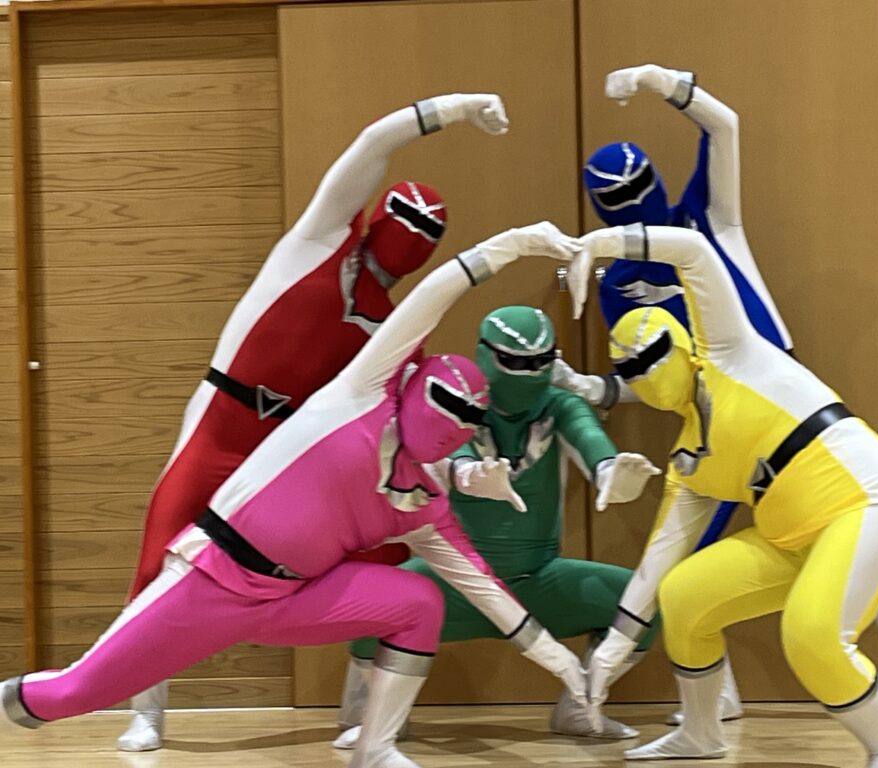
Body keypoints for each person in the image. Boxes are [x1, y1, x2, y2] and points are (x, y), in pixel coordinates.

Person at [1, 223, 588, 768]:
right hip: (211, 579)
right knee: (71, 692)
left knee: (418, 602)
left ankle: (376, 750)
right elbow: (434, 294)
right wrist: (515, 243)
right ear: (417, 384)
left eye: (468, 417)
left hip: (295, 599)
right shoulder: (362, 392)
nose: (454, 422)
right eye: (447, 404)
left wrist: (556, 658)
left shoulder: (421, 504)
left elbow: (481, 585)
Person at [567, 63, 878, 723]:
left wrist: (661, 80)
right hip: (711, 426)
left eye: (637, 186)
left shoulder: (704, 223)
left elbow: (724, 127)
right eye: (613, 197)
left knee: (855, 518)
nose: (630, 201)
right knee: (689, 562)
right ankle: (715, 693)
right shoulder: (616, 283)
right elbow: (646, 375)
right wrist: (591, 386)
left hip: (780, 392)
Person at [117, 92, 512, 751]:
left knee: (385, 555)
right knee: (162, 550)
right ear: (381, 212)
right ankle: (146, 712)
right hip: (223, 419)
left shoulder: (400, 328)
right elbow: (373, 143)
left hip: (290, 454)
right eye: (409, 216)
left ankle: (362, 713)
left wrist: (469, 473)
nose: (416, 235)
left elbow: (415, 425)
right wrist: (457, 107)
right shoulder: (318, 241)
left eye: (430, 231)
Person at [566, 221, 878, 767]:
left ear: (682, 344)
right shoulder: (690, 461)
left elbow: (693, 250)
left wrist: (600, 243)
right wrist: (614, 646)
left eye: (654, 354)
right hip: (791, 536)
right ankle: (700, 733)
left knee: (813, 635)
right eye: (631, 370)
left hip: (870, 498)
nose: (647, 373)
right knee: (683, 594)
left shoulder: (731, 352)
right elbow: (658, 561)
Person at [336, 305, 661, 749]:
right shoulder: (460, 402)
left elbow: (590, 439)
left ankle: (580, 707)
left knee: (640, 605)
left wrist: (611, 473)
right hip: (454, 580)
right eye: (516, 361)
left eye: (542, 361)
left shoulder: (560, 405)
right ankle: (372, 717)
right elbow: (450, 453)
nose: (530, 373)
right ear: (486, 355)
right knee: (369, 605)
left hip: (537, 580)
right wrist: (469, 474)